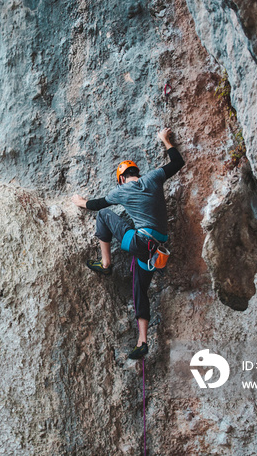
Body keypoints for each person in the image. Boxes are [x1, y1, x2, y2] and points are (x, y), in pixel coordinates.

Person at [71, 128, 185, 360]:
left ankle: (105, 264)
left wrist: (80, 201)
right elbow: (177, 162)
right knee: (140, 289)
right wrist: (165, 139)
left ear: (121, 178)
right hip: (156, 252)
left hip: (140, 243)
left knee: (104, 215)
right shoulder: (153, 178)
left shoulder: (122, 190)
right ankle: (142, 341)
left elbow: (96, 205)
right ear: (136, 173)